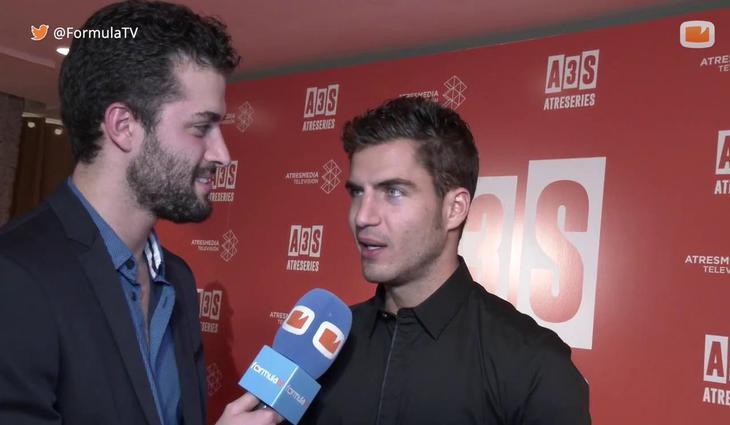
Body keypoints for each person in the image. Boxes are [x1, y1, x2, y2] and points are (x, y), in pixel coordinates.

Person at [0, 2, 279, 425]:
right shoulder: (15, 276)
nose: (222, 154)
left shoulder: (177, 280)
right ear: (123, 126)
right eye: (201, 127)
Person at [300, 97, 591, 424]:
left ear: (454, 209)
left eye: (393, 192)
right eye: (357, 193)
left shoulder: (534, 364)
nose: (362, 216)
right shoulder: (323, 344)